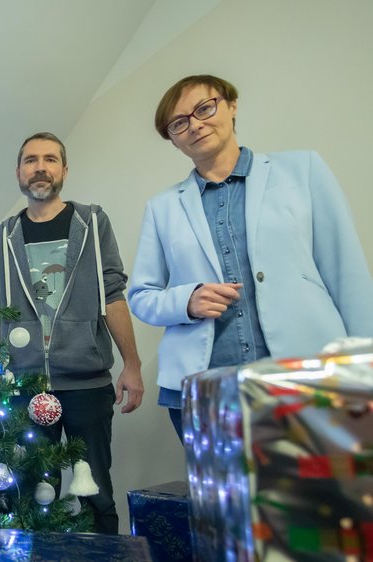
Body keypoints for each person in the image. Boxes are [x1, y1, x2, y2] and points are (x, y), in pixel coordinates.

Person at [128, 75, 373, 441]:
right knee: (224, 500)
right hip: (207, 389)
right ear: (174, 140)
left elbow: (346, 272)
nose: (195, 124)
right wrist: (187, 300)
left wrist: (365, 367)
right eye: (179, 123)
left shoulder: (302, 171)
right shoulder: (162, 207)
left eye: (204, 108)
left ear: (231, 105)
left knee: (319, 496)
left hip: (306, 377)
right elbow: (140, 295)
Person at [0, 132, 144, 534]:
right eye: (31, 160)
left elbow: (112, 296)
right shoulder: (2, 237)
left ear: (64, 170)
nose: (41, 167)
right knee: (33, 494)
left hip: (86, 385)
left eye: (51, 159)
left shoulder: (91, 222)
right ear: (19, 173)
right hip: (24, 387)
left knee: (95, 494)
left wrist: (132, 365)